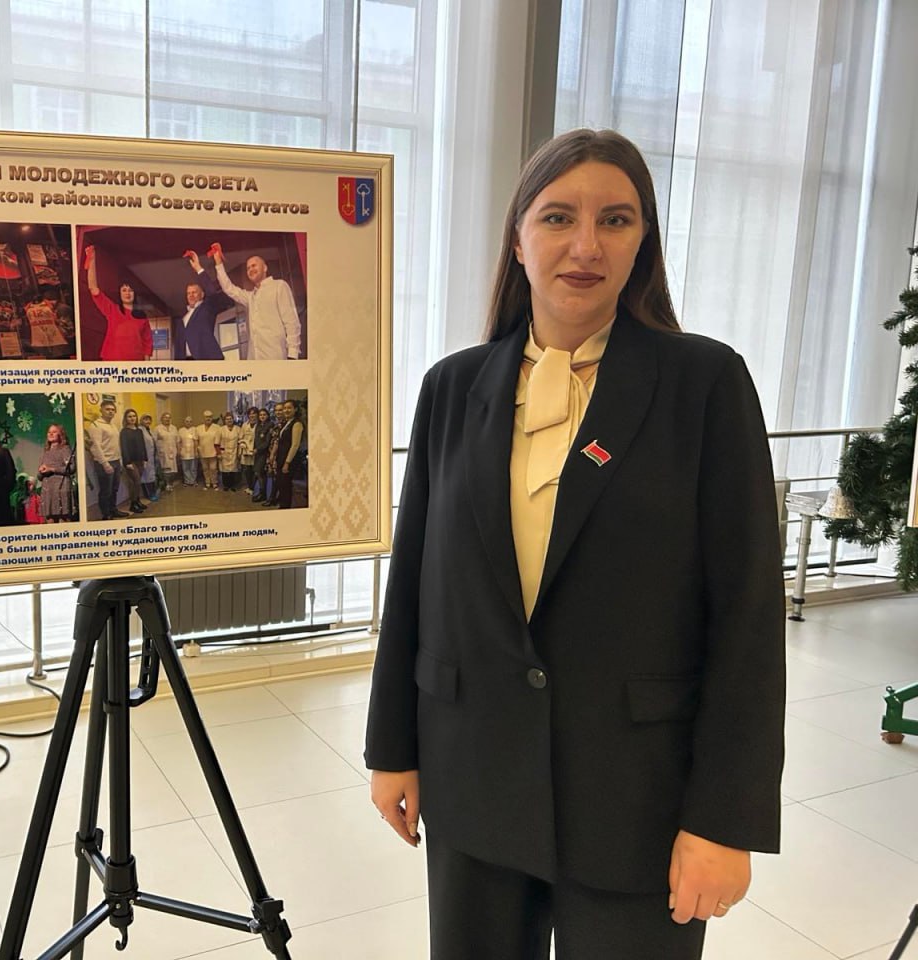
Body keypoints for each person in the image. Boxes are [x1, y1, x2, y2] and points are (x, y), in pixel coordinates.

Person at [364, 129, 784, 960]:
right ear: (519, 240)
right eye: (558, 217)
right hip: (474, 774)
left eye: (615, 220)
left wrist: (724, 819)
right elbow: (413, 584)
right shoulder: (452, 387)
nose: (586, 246)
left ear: (643, 242)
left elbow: (747, 615)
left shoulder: (704, 384)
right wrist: (393, 749)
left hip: (637, 797)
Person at [211, 245, 302, 360]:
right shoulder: (250, 297)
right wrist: (218, 262)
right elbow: (229, 288)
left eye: (254, 265)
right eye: (248, 268)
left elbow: (292, 322)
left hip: (276, 357)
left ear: (265, 268)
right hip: (253, 359)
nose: (250, 269)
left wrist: (293, 355)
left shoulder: (279, 286)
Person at [84, 244, 152, 361]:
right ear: (119, 293)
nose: (127, 293)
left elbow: (147, 344)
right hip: (112, 362)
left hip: (135, 364)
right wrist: (92, 259)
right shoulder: (112, 310)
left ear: (135, 293)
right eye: (124, 290)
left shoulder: (142, 317)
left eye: (130, 290)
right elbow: (93, 288)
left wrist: (145, 366)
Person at [173, 251, 231, 360]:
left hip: (207, 360)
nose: (191, 295)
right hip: (186, 363)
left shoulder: (207, 308)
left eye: (194, 292)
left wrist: (198, 268)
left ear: (202, 294)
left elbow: (212, 292)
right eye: (188, 293)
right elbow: (178, 346)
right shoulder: (182, 319)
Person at [87, 400, 128, 520]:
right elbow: (96, 447)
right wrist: (105, 464)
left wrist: (120, 461)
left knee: (114, 489)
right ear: (101, 410)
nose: (110, 412)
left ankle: (113, 510)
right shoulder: (96, 426)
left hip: (116, 461)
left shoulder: (113, 425)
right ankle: (106, 515)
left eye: (112, 410)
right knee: (106, 491)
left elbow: (116, 445)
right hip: (104, 463)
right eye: (107, 409)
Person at [37, 423, 74, 523]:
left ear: (60, 434)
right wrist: (41, 471)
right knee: (50, 520)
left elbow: (71, 468)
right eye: (49, 432)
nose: (51, 434)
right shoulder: (46, 452)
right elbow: (39, 477)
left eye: (54, 432)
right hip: (47, 490)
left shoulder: (65, 449)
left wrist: (52, 469)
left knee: (63, 520)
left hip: (61, 488)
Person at [273, 400, 305, 509]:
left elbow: (295, 445)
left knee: (285, 486)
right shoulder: (286, 423)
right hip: (281, 458)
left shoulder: (297, 424)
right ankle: (283, 505)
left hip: (289, 460)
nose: (286, 410)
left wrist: (287, 463)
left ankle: (285, 508)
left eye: (289, 408)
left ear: (295, 409)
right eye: (285, 408)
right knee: (281, 484)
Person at [119, 408, 150, 514]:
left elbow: (143, 446)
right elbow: (124, 448)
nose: (132, 418)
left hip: (140, 460)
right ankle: (133, 504)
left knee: (137, 482)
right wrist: (127, 463)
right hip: (131, 462)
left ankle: (137, 501)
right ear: (126, 418)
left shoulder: (139, 431)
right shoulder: (124, 432)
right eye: (129, 416)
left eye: (134, 416)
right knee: (135, 482)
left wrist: (145, 459)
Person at [251, 406, 275, 502]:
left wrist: (258, 449)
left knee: (261, 473)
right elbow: (256, 439)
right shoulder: (258, 425)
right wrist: (254, 448)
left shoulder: (270, 425)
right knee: (259, 473)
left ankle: (263, 494)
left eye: (264, 415)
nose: (262, 416)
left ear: (268, 415)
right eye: (260, 415)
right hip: (257, 453)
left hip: (264, 453)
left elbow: (267, 442)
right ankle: (262, 493)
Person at [194, 410, 222, 490]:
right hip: (202, 451)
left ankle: (214, 482)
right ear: (204, 418)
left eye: (210, 417)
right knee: (205, 468)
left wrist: (219, 452)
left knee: (213, 468)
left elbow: (219, 441)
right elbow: (196, 440)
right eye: (206, 417)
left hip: (213, 451)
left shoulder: (217, 428)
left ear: (212, 418)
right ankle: (207, 482)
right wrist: (196, 450)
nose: (208, 418)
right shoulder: (198, 428)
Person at [154, 411, 180, 491]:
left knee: (173, 470)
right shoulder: (157, 428)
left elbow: (177, 440)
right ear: (161, 419)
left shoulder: (174, 428)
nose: (167, 419)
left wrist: (178, 450)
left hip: (173, 452)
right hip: (163, 452)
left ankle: (170, 483)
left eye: (169, 418)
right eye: (165, 417)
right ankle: (166, 484)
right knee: (165, 469)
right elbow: (154, 441)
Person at [218, 412, 241, 491]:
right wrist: (218, 453)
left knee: (233, 470)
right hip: (224, 452)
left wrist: (239, 452)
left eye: (230, 419)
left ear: (233, 419)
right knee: (224, 470)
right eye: (227, 419)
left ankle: (233, 485)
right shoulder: (221, 429)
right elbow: (217, 442)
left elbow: (240, 441)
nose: (229, 420)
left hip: (234, 451)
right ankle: (226, 485)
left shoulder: (238, 429)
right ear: (224, 420)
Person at [139, 414, 159, 501]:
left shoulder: (150, 430)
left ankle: (152, 493)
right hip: (145, 457)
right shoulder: (140, 430)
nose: (148, 421)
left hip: (152, 456)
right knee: (146, 476)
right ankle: (149, 494)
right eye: (145, 419)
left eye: (149, 420)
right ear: (141, 421)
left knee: (151, 475)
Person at [239, 407, 258, 493]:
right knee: (247, 470)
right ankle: (250, 487)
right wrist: (242, 444)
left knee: (255, 470)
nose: (252, 415)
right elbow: (241, 437)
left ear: (257, 414)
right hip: (246, 450)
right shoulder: (244, 425)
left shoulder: (259, 425)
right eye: (250, 414)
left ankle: (253, 487)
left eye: (254, 413)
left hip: (255, 451)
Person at [177, 415, 199, 486]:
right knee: (185, 468)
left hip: (192, 452)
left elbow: (196, 441)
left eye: (190, 421)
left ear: (192, 422)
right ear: (184, 422)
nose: (188, 423)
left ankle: (193, 481)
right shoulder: (180, 430)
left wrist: (196, 451)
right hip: (184, 452)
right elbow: (179, 442)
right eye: (187, 421)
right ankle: (187, 481)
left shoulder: (194, 429)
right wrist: (179, 451)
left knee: (193, 468)